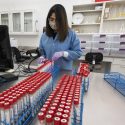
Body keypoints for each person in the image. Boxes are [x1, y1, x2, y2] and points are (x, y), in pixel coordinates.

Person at [39, 4, 82, 71]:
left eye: (58, 20)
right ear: (48, 19)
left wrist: (63, 53)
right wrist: (42, 57)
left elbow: (78, 53)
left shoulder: (71, 34)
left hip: (64, 72)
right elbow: (41, 51)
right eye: (52, 19)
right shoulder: (44, 35)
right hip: (48, 72)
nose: (54, 23)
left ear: (63, 20)